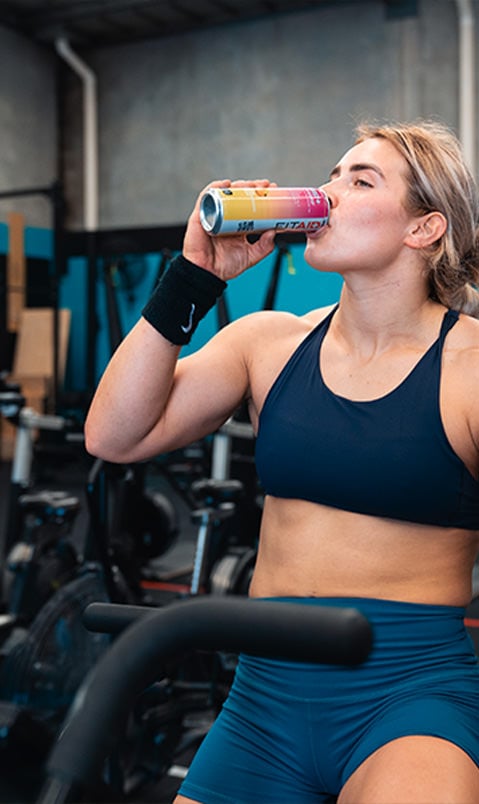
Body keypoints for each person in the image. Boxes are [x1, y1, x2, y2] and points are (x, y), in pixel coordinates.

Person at [85, 119, 479, 804]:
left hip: (406, 700)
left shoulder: (468, 368)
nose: (327, 192)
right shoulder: (265, 344)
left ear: (423, 229)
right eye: (331, 174)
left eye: (361, 180)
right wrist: (193, 279)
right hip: (262, 699)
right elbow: (114, 436)